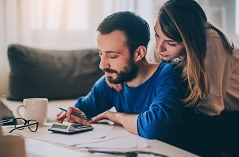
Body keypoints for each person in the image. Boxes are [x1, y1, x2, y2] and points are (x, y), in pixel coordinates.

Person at [107, 0, 239, 157]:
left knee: (184, 124)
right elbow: (145, 69)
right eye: (157, 35)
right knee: (165, 115)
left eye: (171, 43)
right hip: (226, 114)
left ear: (189, 40)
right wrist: (118, 75)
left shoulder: (211, 42)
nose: (160, 48)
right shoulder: (163, 44)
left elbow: (212, 107)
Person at [56, 11, 186, 145]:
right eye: (101, 54)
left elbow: (154, 127)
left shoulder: (170, 74)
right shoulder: (113, 80)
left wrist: (117, 116)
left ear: (139, 53)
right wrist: (73, 115)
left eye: (112, 56)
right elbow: (83, 110)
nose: (102, 65)